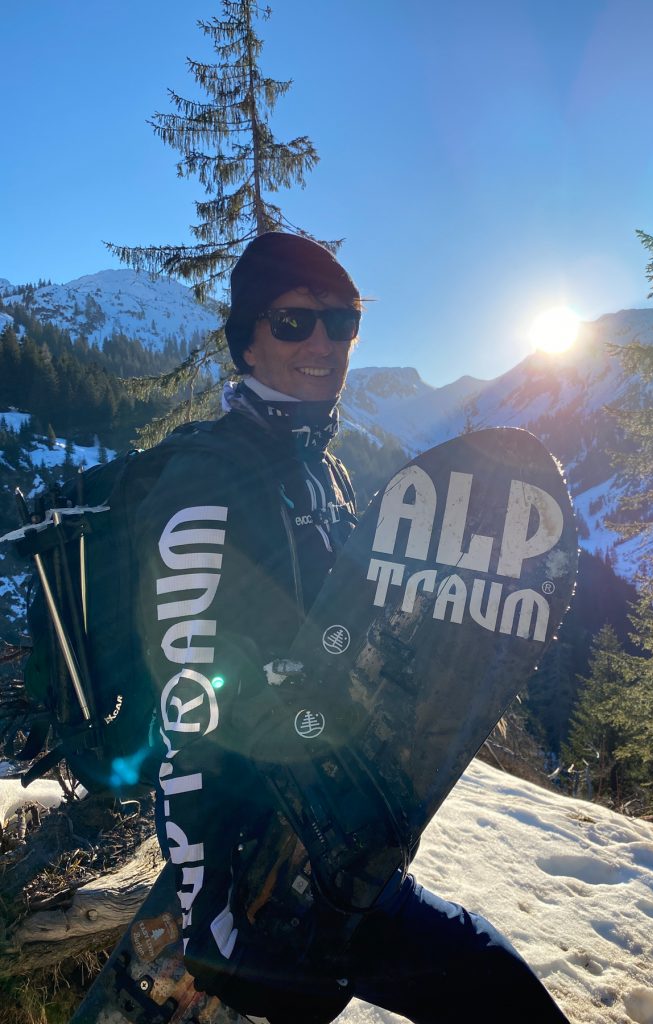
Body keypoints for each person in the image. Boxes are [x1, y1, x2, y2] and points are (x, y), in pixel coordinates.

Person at [137, 232, 570, 1023]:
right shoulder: (208, 481)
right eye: (294, 322)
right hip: (266, 865)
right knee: (496, 989)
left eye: (342, 322)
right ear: (246, 342)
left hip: (334, 841)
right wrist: (210, 916)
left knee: (493, 982)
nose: (324, 344)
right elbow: (187, 702)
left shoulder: (318, 467)